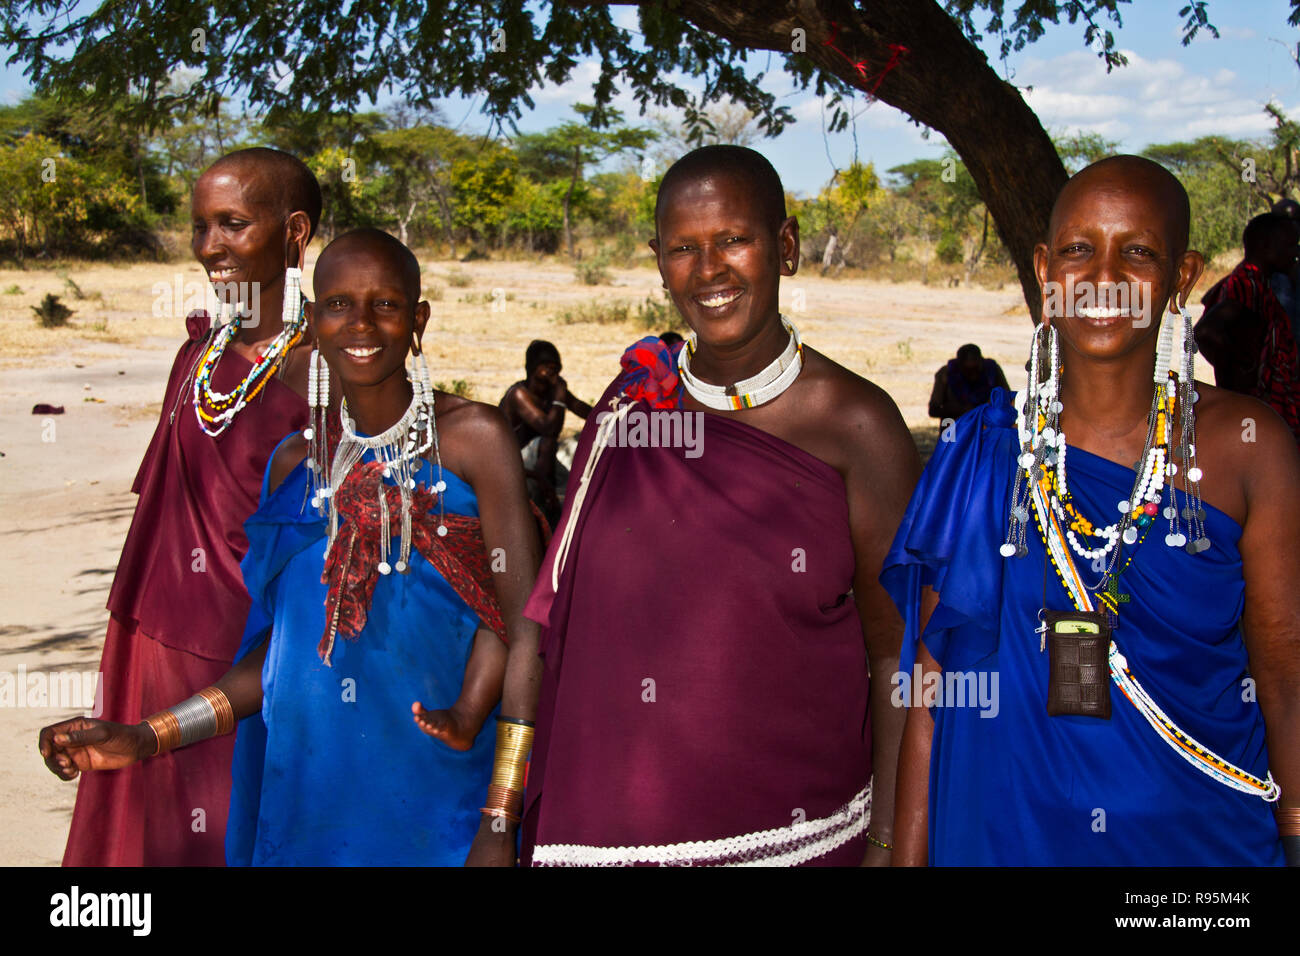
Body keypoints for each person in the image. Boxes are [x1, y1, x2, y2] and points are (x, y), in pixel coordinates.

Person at [39, 229, 546, 865]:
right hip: (306, 795)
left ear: (418, 319)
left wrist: (501, 815)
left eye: (385, 304)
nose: (360, 322)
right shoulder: (295, 466)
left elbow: (527, 625)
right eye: (337, 304)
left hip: (437, 795)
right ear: (312, 318)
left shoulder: (474, 440)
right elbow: (276, 662)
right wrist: (147, 736)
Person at [884, 156, 1299, 866]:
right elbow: (932, 689)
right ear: (1046, 268)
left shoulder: (1248, 448)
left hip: (1190, 847)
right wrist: (903, 855)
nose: (1104, 279)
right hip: (999, 831)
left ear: (1183, 276)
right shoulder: (980, 447)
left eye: (1137, 252)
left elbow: (1285, 671)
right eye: (1079, 250)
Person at [519, 145, 920, 866]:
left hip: (791, 840)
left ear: (786, 246)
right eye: (683, 248)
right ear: (657, 260)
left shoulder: (856, 424)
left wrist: (890, 844)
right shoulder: (626, 410)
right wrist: (499, 815)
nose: (709, 271)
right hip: (603, 832)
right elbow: (552, 625)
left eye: (734, 239)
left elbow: (896, 649)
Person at [56, 148, 320, 866]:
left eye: (232, 223)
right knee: (139, 822)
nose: (209, 248)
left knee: (223, 821)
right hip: (149, 623)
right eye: (200, 225)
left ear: (295, 231)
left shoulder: (324, 367)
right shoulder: (201, 352)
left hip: (246, 648)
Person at [1195, 213, 1300, 442]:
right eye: (1290, 245)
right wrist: (1242, 371)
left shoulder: (1260, 283)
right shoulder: (1246, 285)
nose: (1295, 253)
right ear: (1265, 246)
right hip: (1262, 410)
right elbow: (1206, 332)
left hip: (1274, 410)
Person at [499, 340, 591, 525]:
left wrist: (613, 416)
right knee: (547, 441)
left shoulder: (553, 391)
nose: (552, 372)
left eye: (555, 367)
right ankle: (544, 500)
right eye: (546, 367)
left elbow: (585, 411)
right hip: (515, 463)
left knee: (585, 440)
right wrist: (559, 399)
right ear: (532, 368)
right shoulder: (519, 394)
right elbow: (548, 428)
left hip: (543, 460)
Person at [927, 343, 1010, 421]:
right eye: (968, 371)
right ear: (959, 366)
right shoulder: (946, 374)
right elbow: (933, 410)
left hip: (986, 425)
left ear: (981, 362)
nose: (972, 375)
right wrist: (960, 409)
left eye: (975, 370)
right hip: (955, 427)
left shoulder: (992, 371)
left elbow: (1008, 400)